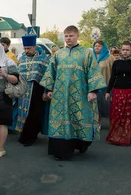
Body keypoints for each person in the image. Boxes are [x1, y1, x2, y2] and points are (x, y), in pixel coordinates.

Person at [40, 25, 105, 160]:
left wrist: (93, 90)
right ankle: (61, 151)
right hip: (60, 95)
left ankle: (81, 145)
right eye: (66, 36)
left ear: (77, 36)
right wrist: (49, 89)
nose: (68, 38)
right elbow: (50, 72)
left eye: (71, 36)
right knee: (61, 120)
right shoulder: (59, 53)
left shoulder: (86, 53)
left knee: (79, 119)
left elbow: (93, 71)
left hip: (80, 94)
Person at [105, 41, 131, 146]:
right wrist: (108, 91)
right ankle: (116, 136)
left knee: (129, 114)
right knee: (117, 113)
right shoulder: (117, 62)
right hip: (118, 91)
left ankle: (129, 137)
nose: (125, 52)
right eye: (123, 49)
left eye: (127, 50)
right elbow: (112, 78)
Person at [15, 34, 50, 146]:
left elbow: (47, 76)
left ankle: (30, 136)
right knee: (23, 112)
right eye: (25, 48)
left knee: (34, 113)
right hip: (24, 89)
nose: (26, 50)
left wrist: (46, 91)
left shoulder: (43, 58)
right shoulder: (22, 58)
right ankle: (24, 134)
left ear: (34, 46)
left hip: (37, 90)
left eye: (29, 48)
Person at [0, 42, 19, 158]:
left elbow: (16, 79)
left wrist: (5, 75)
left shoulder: (9, 62)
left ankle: (0, 148)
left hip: (4, 95)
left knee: (2, 122)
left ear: (1, 51)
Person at [93, 40, 115, 119]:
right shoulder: (91, 57)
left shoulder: (110, 58)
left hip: (105, 85)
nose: (97, 47)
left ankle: (109, 123)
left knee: (106, 106)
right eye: (95, 46)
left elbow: (115, 72)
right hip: (93, 86)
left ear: (103, 47)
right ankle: (97, 122)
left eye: (99, 46)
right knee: (95, 106)